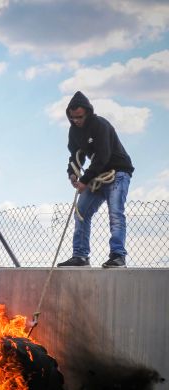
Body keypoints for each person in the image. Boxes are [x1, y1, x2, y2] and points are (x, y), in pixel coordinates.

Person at [57, 91, 134, 268]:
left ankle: (118, 256)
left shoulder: (100, 125)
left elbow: (102, 156)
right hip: (97, 174)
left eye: (79, 117)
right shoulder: (74, 131)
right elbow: (76, 155)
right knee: (81, 211)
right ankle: (81, 256)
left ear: (87, 112)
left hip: (117, 172)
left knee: (115, 213)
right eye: (72, 117)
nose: (76, 120)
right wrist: (72, 172)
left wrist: (84, 180)